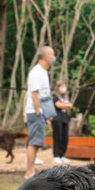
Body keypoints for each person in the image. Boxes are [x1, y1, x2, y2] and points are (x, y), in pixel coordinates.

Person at [24, 46, 56, 178]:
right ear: (46, 56)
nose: (54, 58)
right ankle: (29, 171)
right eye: (52, 55)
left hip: (41, 112)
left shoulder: (43, 72)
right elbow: (35, 94)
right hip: (35, 112)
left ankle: (31, 170)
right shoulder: (36, 72)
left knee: (37, 142)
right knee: (34, 142)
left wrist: (47, 114)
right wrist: (39, 112)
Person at [50, 81, 73, 164]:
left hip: (64, 119)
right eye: (62, 86)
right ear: (58, 87)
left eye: (65, 86)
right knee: (57, 137)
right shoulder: (54, 95)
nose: (64, 88)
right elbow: (58, 105)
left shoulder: (66, 96)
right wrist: (66, 105)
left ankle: (62, 155)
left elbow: (70, 106)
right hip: (56, 119)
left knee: (65, 138)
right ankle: (56, 156)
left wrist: (65, 105)